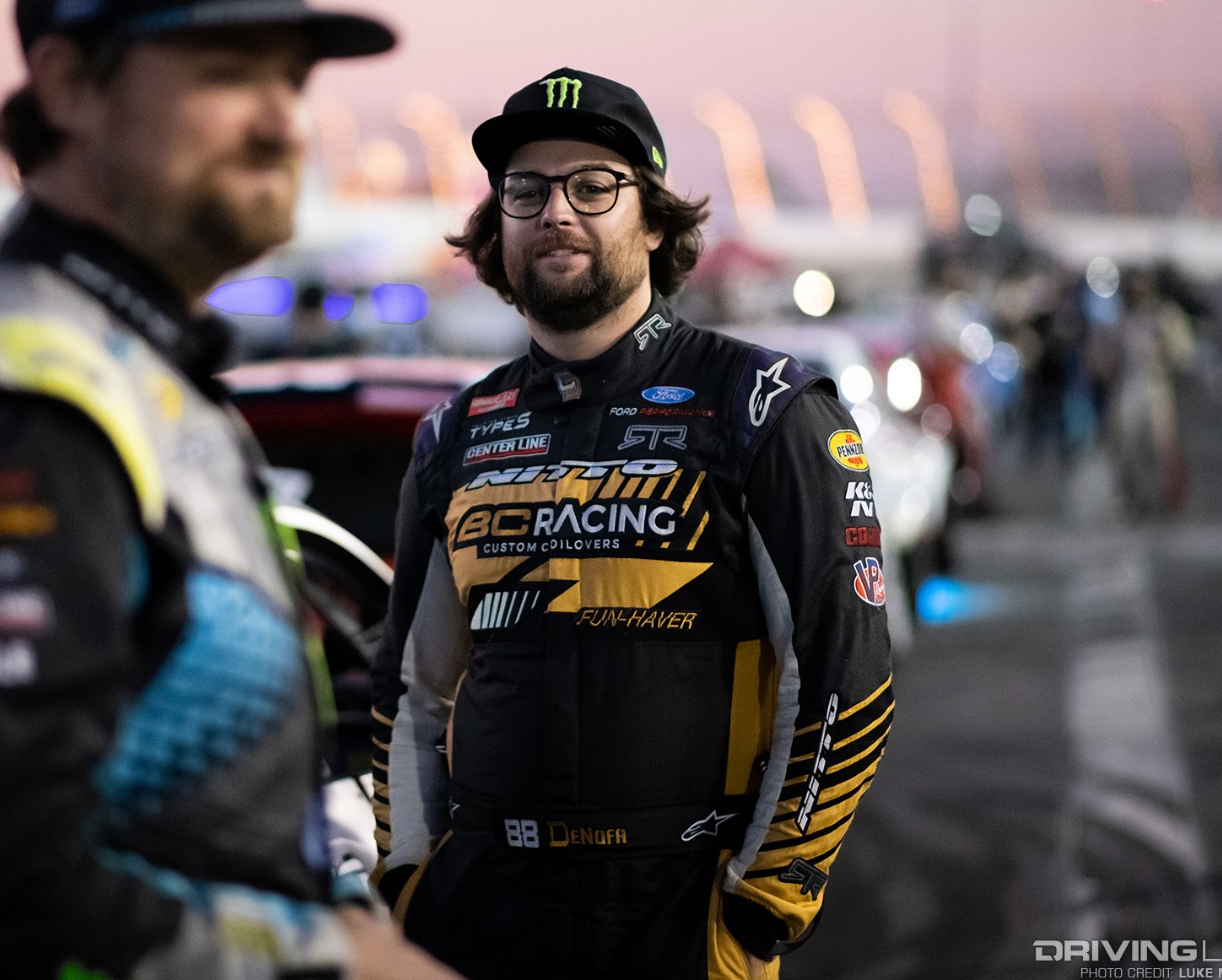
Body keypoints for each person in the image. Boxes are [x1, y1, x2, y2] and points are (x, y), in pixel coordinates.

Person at [0, 0, 459, 977]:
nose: (284, 122)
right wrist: (332, 967)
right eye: (226, 69)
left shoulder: (142, 379)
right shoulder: (7, 398)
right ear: (68, 86)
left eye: (294, 79)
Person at [369, 69, 895, 980]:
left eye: (593, 186)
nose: (556, 212)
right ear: (499, 226)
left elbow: (844, 678)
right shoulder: (455, 433)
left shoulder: (762, 405)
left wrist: (765, 903)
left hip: (675, 912)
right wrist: (410, 878)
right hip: (474, 912)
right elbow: (410, 689)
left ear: (653, 220)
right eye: (525, 191)